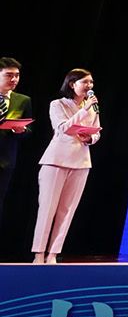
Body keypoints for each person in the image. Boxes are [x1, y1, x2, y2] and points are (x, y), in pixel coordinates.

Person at [32, 69, 101, 263]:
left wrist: (91, 138)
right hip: (56, 160)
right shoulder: (58, 104)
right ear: (72, 84)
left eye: (91, 82)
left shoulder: (93, 106)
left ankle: (53, 254)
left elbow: (97, 131)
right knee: (47, 209)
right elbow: (62, 128)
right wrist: (84, 110)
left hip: (81, 161)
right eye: (85, 82)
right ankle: (38, 254)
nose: (89, 86)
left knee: (67, 210)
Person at [0, 57, 33, 232]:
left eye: (17, 75)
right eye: (9, 75)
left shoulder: (23, 100)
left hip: (6, 160)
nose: (14, 79)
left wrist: (21, 130)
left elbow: (29, 130)